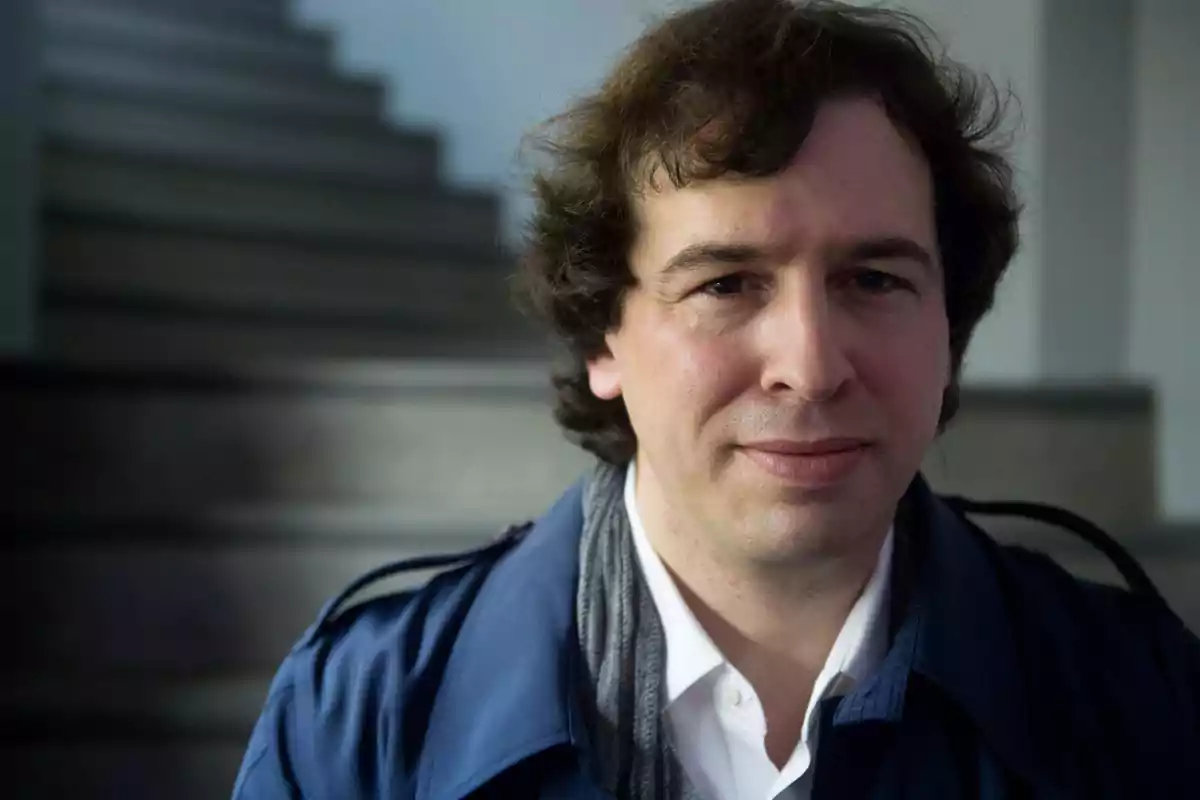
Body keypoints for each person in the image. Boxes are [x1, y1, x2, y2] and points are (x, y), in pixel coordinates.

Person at [232, 0, 1200, 797]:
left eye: (873, 278)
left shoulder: (1142, 690)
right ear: (601, 335)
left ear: (950, 327)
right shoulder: (359, 716)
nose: (812, 366)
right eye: (726, 283)